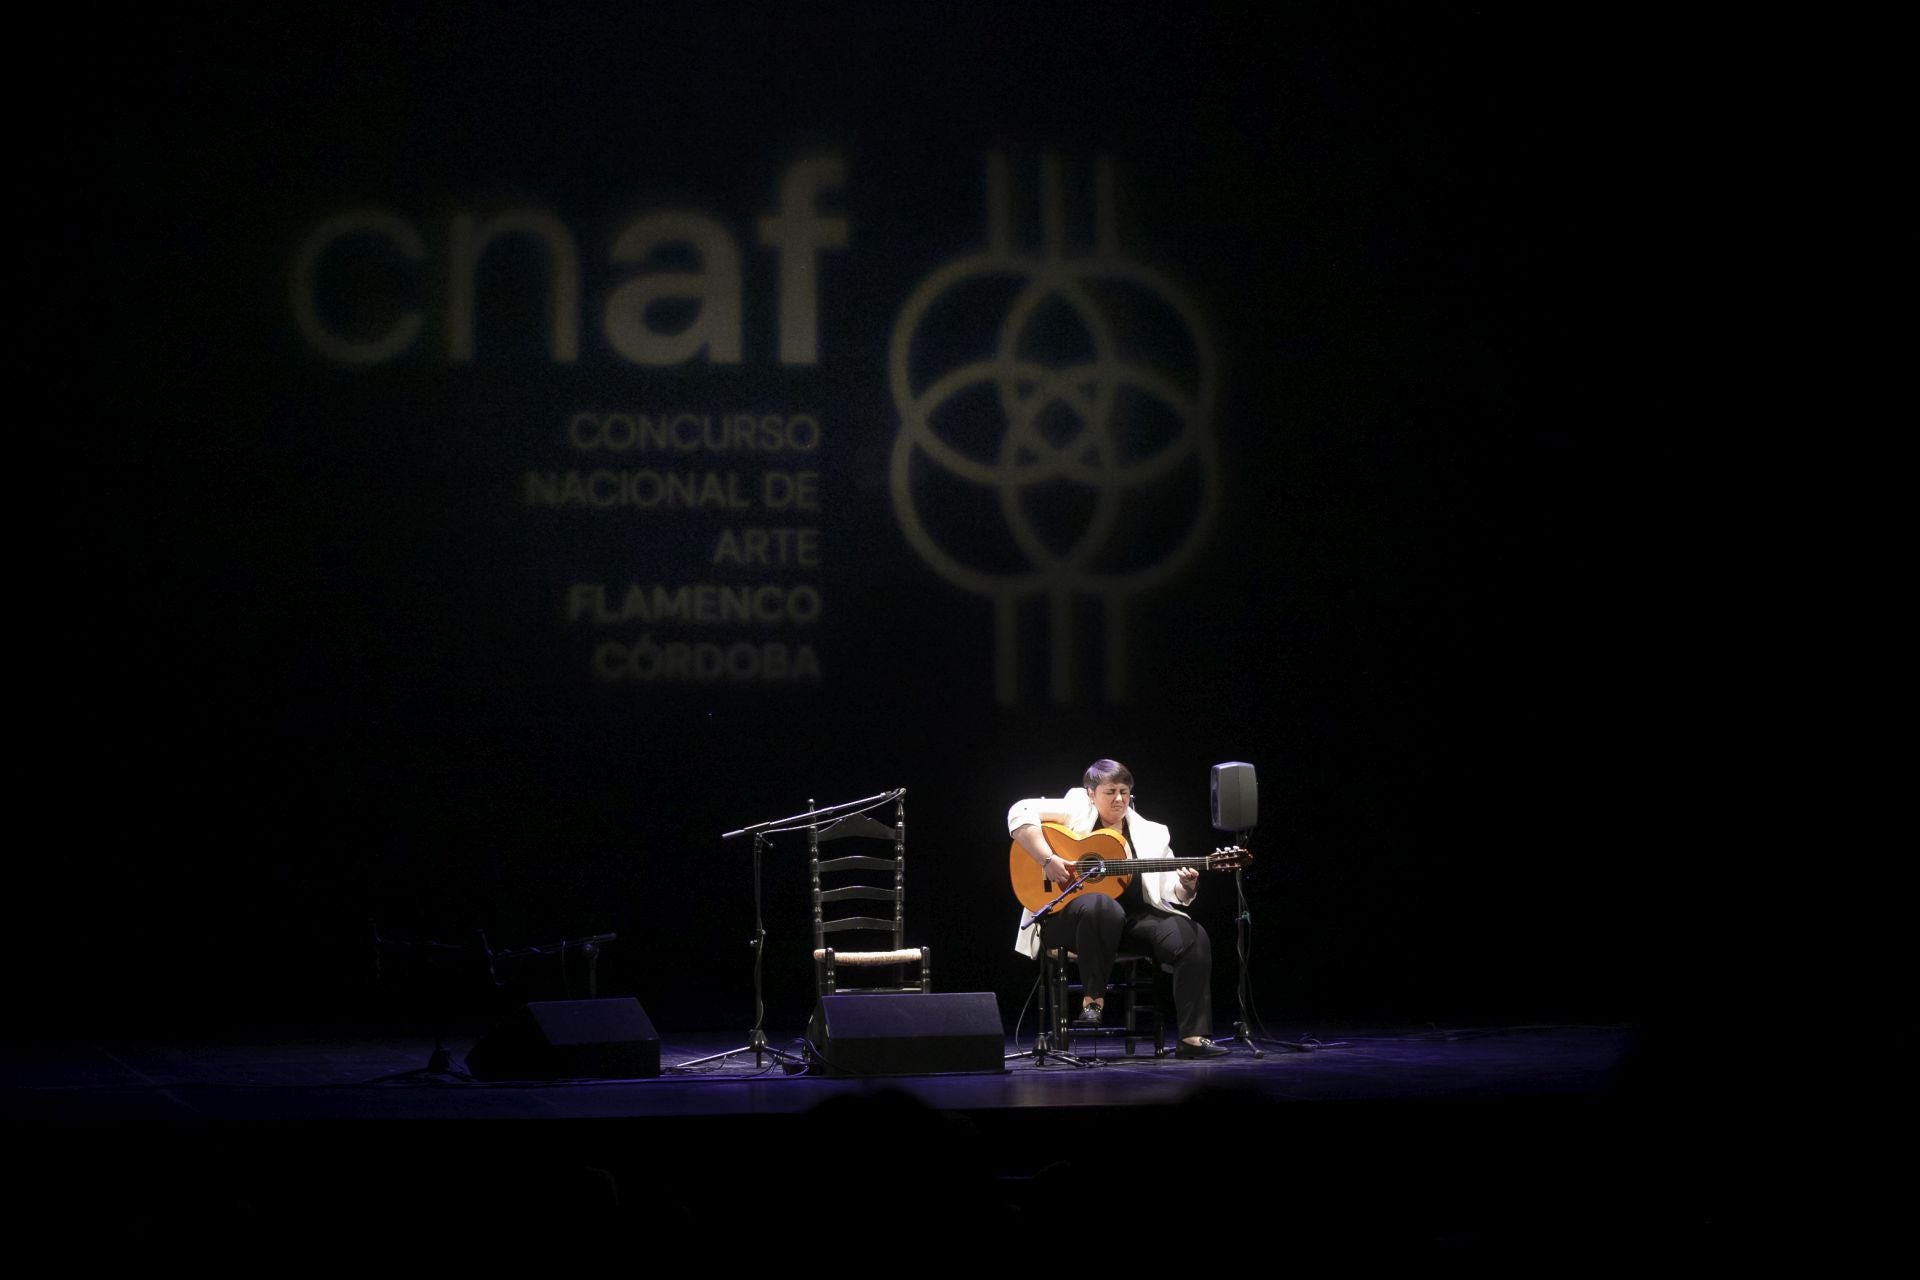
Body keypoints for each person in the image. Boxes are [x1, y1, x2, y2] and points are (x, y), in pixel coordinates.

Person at [1009, 759, 1229, 1059]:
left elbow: (1168, 891)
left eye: (1124, 792)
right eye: (1110, 791)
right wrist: (1048, 859)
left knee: (1193, 936)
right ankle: (1093, 1002)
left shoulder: (1152, 833)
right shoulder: (1074, 808)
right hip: (1068, 922)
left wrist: (1187, 887)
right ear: (1091, 793)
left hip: (1131, 924)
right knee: (1102, 905)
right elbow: (1018, 812)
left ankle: (1192, 1038)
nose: (1119, 799)